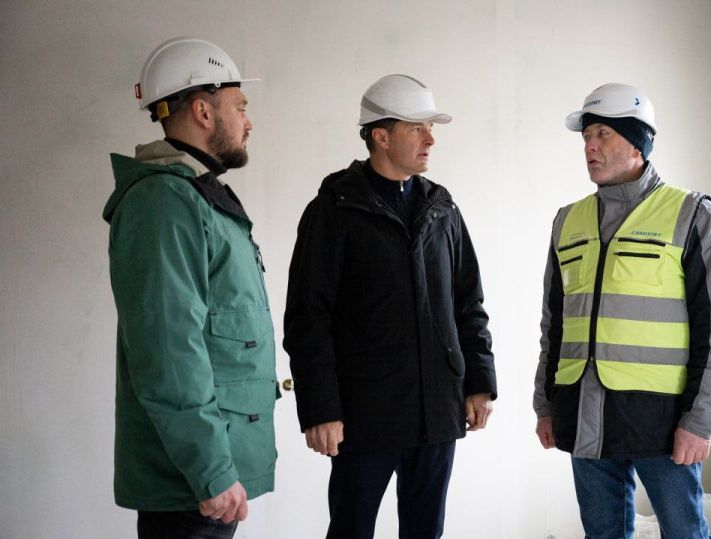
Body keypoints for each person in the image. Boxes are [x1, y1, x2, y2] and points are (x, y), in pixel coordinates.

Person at [284, 74, 497, 539]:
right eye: (417, 128)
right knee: (351, 530)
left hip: (436, 413)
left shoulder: (442, 210)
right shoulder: (334, 211)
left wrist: (479, 381)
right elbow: (307, 317)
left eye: (430, 128)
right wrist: (320, 408)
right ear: (380, 136)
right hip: (364, 416)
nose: (430, 139)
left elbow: (468, 303)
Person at [533, 83, 711, 539]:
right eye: (586, 136)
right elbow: (555, 325)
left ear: (638, 143)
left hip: (664, 424)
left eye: (603, 134)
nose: (589, 146)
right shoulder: (567, 221)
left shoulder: (692, 215)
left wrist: (700, 421)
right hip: (585, 416)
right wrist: (545, 404)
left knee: (684, 533)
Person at [103, 37, 277, 538]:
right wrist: (212, 472)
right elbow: (168, 349)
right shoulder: (163, 202)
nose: (248, 122)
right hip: (192, 484)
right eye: (240, 107)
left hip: (206, 477)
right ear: (203, 110)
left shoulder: (196, 195)